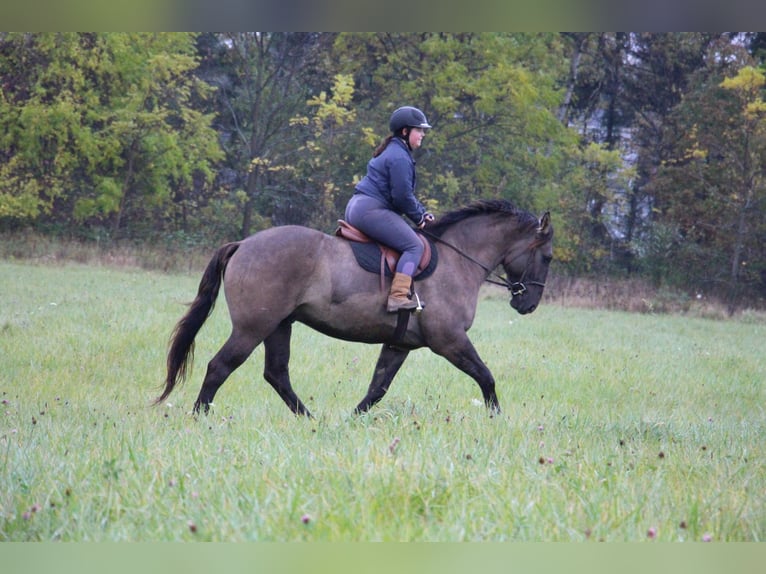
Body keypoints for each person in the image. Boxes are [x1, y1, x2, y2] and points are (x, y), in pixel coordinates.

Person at [345, 106, 435, 312]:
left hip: (358, 207)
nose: (423, 134)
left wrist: (421, 211)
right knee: (414, 246)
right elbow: (402, 197)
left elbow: (403, 195)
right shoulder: (399, 157)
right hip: (371, 210)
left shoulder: (394, 151)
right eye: (419, 130)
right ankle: (398, 296)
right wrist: (419, 218)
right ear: (405, 132)